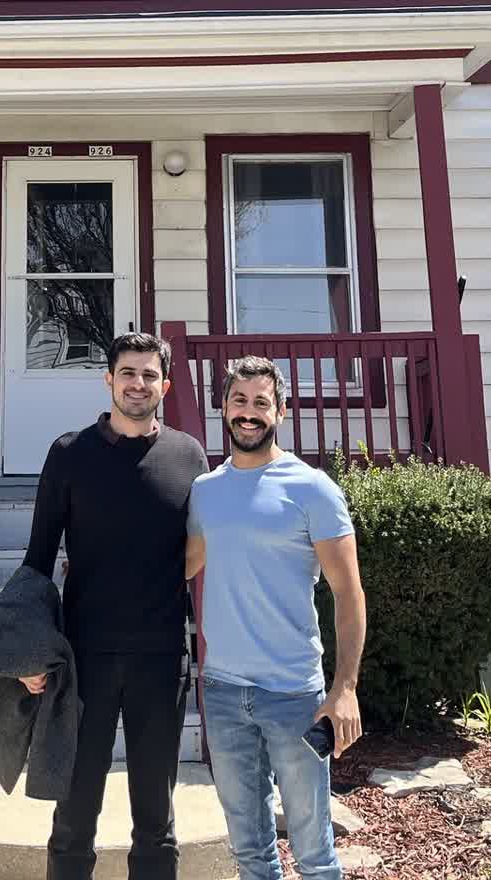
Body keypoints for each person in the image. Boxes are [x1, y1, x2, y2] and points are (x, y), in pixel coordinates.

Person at [19, 331, 209, 880]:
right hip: (84, 660)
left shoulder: (188, 455)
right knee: (75, 814)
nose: (138, 383)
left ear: (165, 385)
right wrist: (33, 652)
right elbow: (37, 559)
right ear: (108, 379)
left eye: (150, 375)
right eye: (128, 372)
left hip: (160, 656)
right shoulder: (69, 454)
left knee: (156, 817)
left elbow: (204, 548)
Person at [186, 355, 367, 880]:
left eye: (261, 403)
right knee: (250, 852)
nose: (249, 413)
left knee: (314, 854)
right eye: (239, 401)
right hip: (222, 692)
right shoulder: (205, 491)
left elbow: (349, 594)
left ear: (281, 411)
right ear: (223, 408)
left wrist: (345, 689)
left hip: (293, 695)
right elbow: (183, 565)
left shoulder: (313, 489)